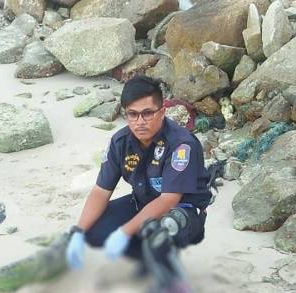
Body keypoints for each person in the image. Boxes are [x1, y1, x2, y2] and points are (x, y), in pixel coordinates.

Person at [66, 75, 211, 270]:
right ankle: (146, 261)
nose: (140, 121)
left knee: (163, 229)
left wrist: (124, 232)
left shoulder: (180, 144)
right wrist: (79, 231)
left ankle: (169, 274)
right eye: (132, 114)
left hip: (183, 211)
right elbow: (101, 191)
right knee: (95, 228)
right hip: (143, 202)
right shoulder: (120, 142)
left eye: (147, 113)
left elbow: (168, 200)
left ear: (162, 112)